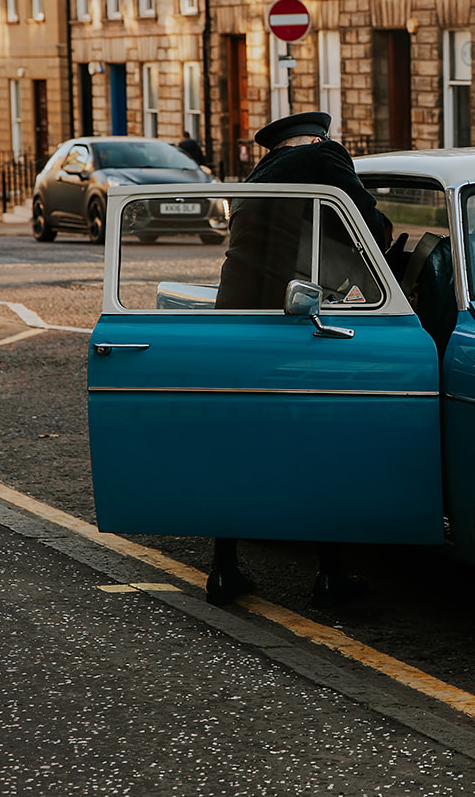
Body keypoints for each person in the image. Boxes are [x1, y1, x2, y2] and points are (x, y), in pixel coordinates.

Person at [206, 111, 392, 610]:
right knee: (316, 444)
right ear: (318, 138)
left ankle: (223, 570)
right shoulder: (324, 157)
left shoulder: (258, 178)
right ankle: (331, 575)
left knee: (237, 445)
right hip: (291, 320)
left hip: (234, 320)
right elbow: (369, 226)